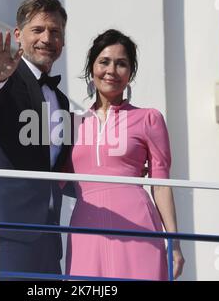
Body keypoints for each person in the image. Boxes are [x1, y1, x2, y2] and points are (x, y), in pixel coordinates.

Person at [0, 0, 72, 280]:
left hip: (48, 234)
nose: (47, 38)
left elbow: (59, 167)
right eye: (38, 30)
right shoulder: (3, 75)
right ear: (17, 35)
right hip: (4, 226)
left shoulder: (61, 99)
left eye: (55, 31)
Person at [65, 29, 185, 280]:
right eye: (104, 62)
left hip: (137, 225)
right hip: (86, 226)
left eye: (121, 64)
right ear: (92, 67)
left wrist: (174, 241)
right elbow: (57, 179)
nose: (112, 70)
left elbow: (161, 185)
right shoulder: (71, 125)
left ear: (130, 74)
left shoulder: (148, 118)